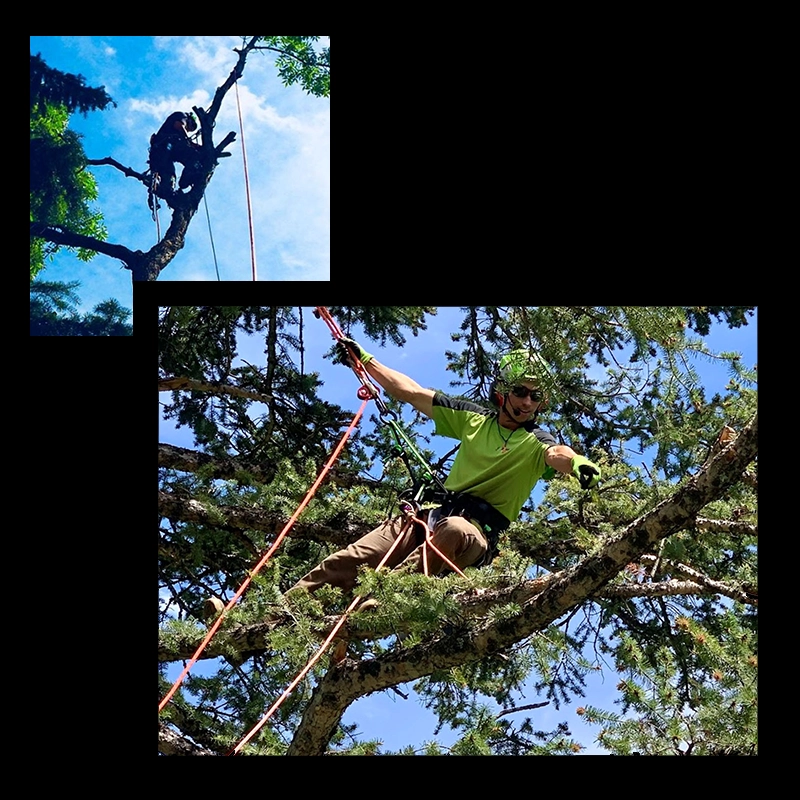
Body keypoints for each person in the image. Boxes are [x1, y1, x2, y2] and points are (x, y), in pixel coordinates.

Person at [290, 340, 601, 599]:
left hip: (473, 535)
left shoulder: (536, 441)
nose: (527, 402)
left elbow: (556, 454)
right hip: (430, 518)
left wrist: (577, 463)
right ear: (502, 392)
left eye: (536, 396)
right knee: (351, 558)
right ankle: (277, 618)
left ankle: (381, 602)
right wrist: (367, 361)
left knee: (455, 529)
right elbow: (411, 392)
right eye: (520, 391)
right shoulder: (473, 419)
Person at [148, 111, 204, 198]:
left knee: (170, 180)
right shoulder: (182, 116)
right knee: (194, 156)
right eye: (191, 127)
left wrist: (192, 144)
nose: (188, 130)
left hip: (162, 153)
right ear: (190, 120)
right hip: (167, 145)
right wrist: (190, 142)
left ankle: (169, 190)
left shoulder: (176, 130)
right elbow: (178, 125)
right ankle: (187, 179)